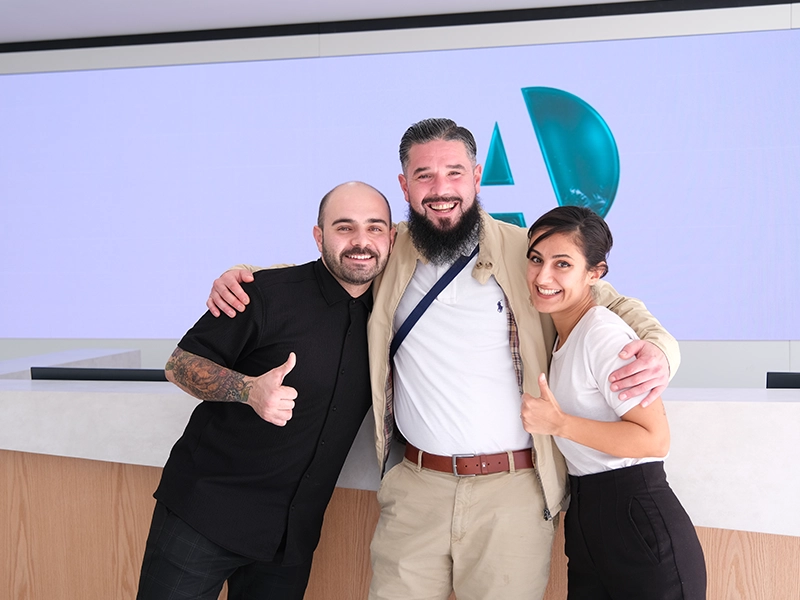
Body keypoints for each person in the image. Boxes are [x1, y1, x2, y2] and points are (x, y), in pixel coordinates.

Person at [207, 118, 680, 600]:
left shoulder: (527, 251)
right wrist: (244, 274)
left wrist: (662, 351)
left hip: (514, 492)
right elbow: (325, 266)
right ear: (404, 185)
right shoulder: (387, 250)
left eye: (454, 173)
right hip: (415, 487)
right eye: (424, 175)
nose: (440, 189)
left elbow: (611, 303)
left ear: (476, 176)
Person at [136, 181, 395, 600]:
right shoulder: (263, 293)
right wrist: (248, 390)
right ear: (319, 236)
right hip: (204, 514)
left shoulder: (390, 315)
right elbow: (179, 365)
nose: (361, 241)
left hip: (289, 540)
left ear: (391, 238)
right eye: (344, 227)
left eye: (375, 228)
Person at [521, 205, 706, 599]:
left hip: (637, 519)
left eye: (562, 264)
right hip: (589, 516)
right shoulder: (563, 335)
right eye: (536, 259)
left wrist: (559, 424)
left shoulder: (601, 334)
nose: (543, 276)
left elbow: (654, 440)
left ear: (595, 274)